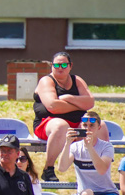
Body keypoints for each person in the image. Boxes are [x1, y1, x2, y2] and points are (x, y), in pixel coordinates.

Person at [32, 52, 99, 182]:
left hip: (76, 124)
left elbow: (90, 103)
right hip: (47, 124)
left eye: (64, 64)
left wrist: (68, 98)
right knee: (61, 126)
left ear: (70, 66)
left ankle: (98, 167)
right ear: (51, 66)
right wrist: (79, 105)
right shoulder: (46, 81)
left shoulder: (77, 80)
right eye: (56, 65)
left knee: (98, 125)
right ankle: (48, 168)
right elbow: (53, 106)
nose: (60, 68)